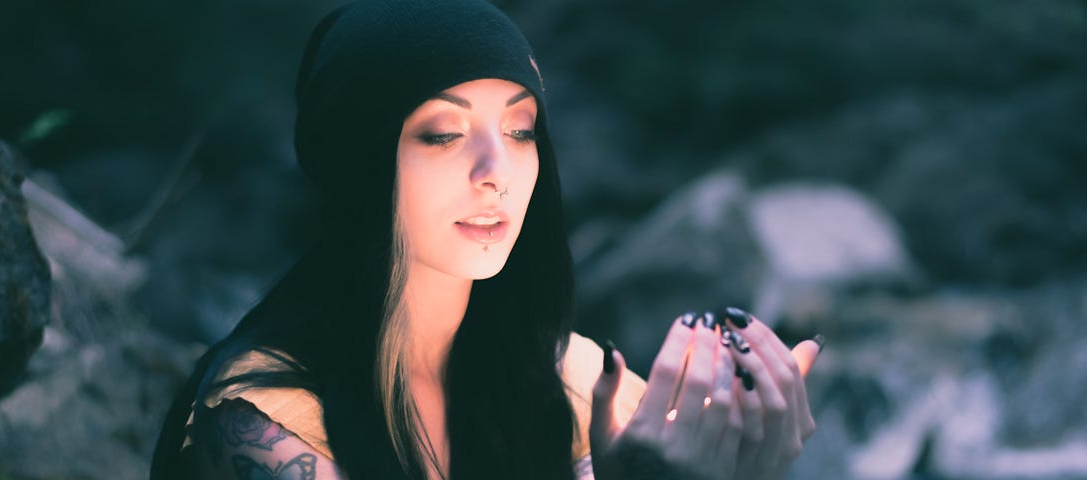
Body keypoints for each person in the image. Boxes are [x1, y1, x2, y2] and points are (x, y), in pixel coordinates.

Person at [149, 1, 824, 478]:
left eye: (521, 130)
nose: (495, 175)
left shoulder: (573, 378)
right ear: (358, 160)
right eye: (443, 134)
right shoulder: (262, 421)